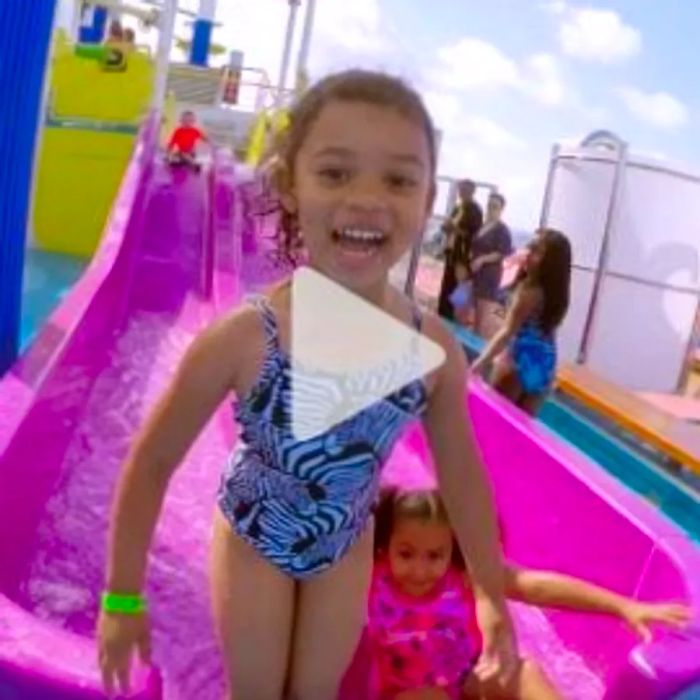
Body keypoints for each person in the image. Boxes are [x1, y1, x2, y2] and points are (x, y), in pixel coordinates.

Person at [97, 70, 516, 699]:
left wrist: (490, 594)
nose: (368, 200)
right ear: (291, 186)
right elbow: (153, 461)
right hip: (255, 532)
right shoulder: (245, 338)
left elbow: (462, 477)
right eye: (336, 173)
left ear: (428, 200)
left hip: (344, 543)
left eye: (399, 179)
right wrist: (122, 597)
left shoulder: (433, 352)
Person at [370, 487, 691, 700]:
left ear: (451, 548)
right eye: (406, 554)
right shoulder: (373, 579)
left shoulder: (466, 573)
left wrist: (624, 607)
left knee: (525, 673)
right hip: (409, 692)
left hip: (469, 680)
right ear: (386, 546)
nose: (420, 569)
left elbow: (536, 585)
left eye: (434, 555)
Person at [471, 228, 571, 416]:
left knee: (496, 422)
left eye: (536, 251)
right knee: (520, 431)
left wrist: (480, 362)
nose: (528, 253)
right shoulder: (556, 296)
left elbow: (507, 332)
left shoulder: (528, 292)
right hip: (544, 368)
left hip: (518, 361)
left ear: (550, 263)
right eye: (530, 248)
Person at [437, 180, 483, 321]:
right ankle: (442, 314)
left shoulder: (475, 210)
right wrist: (446, 227)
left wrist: (455, 228)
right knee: (447, 285)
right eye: (459, 190)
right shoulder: (458, 207)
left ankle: (455, 317)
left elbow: (473, 234)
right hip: (451, 252)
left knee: (459, 286)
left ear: (471, 192)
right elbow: (448, 228)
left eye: (463, 190)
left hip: (462, 255)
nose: (460, 193)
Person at [470, 193, 513, 339]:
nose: (491, 209)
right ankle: (465, 342)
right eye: (489, 206)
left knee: (482, 319)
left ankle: (476, 353)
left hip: (489, 275)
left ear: (501, 209)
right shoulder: (483, 226)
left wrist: (482, 259)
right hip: (473, 273)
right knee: (459, 303)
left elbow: (502, 252)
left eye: (495, 207)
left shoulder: (502, 230)